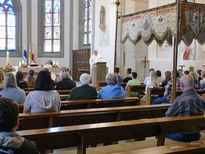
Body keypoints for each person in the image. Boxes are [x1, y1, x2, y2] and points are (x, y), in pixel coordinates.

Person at [166, 74, 205, 142]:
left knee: (159, 133)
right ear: (193, 84)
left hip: (182, 136)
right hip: (196, 135)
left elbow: (168, 116)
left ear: (182, 85)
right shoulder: (201, 98)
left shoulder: (180, 99)